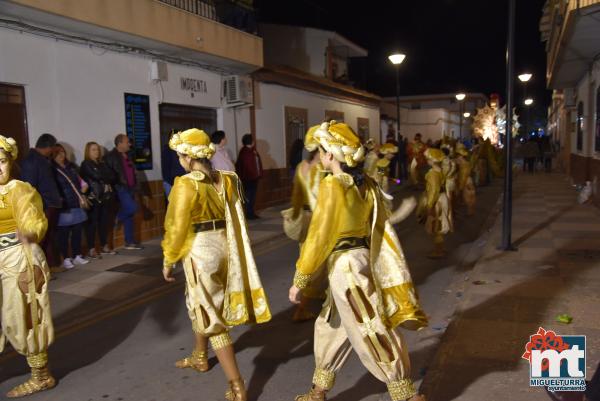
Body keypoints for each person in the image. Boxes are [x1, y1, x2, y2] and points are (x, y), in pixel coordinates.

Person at [288, 121, 427, 401]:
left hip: (346, 269)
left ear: (330, 155)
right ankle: (318, 391)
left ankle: (406, 394)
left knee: (370, 326)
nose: (321, 156)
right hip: (359, 261)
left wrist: (300, 279)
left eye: (323, 151)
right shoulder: (367, 184)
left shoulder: (333, 185)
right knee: (331, 326)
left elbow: (319, 236)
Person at [162, 128, 271, 401]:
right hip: (225, 247)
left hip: (200, 251)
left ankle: (237, 386)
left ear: (188, 156)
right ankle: (200, 356)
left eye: (179, 155)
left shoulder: (185, 184)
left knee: (212, 317)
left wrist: (168, 259)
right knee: (198, 302)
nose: (178, 160)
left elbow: (176, 227)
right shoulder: (227, 179)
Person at [0, 135, 56, 398]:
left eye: (1, 161)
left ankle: (41, 376)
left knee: (25, 318)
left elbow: (34, 219)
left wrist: (31, 232)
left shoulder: (18, 189)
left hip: (20, 258)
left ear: (10, 162)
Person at [283, 125, 325, 322]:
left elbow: (297, 195)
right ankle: (302, 309)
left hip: (305, 217)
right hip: (318, 221)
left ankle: (311, 299)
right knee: (318, 263)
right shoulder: (322, 170)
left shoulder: (301, 167)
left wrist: (295, 212)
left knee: (306, 259)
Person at [19, 133, 62, 270]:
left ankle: (48, 266)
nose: (54, 151)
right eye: (53, 148)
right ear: (48, 147)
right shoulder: (31, 160)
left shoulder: (43, 159)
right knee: (41, 239)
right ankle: (36, 269)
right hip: (42, 205)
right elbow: (28, 187)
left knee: (48, 237)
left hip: (50, 204)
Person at [53, 144, 89, 269]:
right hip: (64, 205)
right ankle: (66, 258)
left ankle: (77, 255)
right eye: (58, 153)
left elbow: (80, 182)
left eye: (63, 152)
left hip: (76, 202)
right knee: (64, 232)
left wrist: (83, 190)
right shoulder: (52, 169)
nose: (62, 155)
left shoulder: (71, 167)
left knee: (77, 231)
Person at [104, 134, 143, 250]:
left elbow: (133, 171)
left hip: (131, 187)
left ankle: (129, 242)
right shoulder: (110, 157)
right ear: (119, 143)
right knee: (132, 208)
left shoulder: (129, 155)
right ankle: (118, 217)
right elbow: (109, 174)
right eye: (127, 142)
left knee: (129, 215)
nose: (129, 144)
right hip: (120, 187)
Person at [80, 142, 117, 258]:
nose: (96, 152)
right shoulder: (86, 164)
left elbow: (113, 176)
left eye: (97, 150)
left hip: (104, 197)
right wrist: (105, 177)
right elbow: (96, 176)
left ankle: (104, 245)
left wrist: (105, 177)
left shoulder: (102, 163)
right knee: (92, 224)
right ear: (88, 151)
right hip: (93, 197)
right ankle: (91, 249)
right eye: (93, 150)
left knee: (103, 223)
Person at [417, 148, 453, 258]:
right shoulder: (440, 170)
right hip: (442, 198)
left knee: (436, 227)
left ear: (432, 161)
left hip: (437, 201)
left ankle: (438, 252)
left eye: (428, 159)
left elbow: (433, 191)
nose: (427, 160)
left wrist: (429, 206)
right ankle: (440, 249)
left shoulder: (432, 174)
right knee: (439, 226)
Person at [235, 134, 262, 219]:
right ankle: (248, 214)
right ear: (251, 141)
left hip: (254, 177)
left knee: (252, 196)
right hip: (248, 178)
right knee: (248, 196)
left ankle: (251, 212)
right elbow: (245, 166)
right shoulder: (245, 152)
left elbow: (256, 163)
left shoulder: (252, 151)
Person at [161, 131, 186, 198]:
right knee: (174, 205)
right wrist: (172, 182)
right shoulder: (167, 150)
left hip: (181, 182)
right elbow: (166, 168)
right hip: (171, 183)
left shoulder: (182, 150)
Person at [455, 143, 476, 216]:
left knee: (467, 197)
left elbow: (463, 176)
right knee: (471, 196)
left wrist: (461, 186)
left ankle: (470, 211)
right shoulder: (467, 162)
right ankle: (471, 210)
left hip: (466, 181)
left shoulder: (462, 165)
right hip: (469, 179)